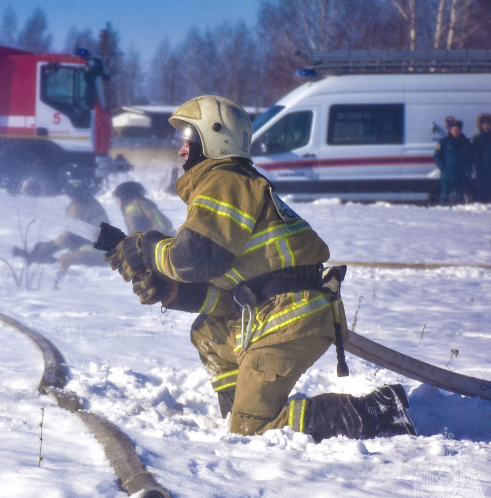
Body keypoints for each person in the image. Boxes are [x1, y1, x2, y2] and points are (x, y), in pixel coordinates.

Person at [105, 95, 415, 442]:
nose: (180, 150)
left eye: (187, 139)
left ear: (213, 138)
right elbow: (226, 294)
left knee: (252, 429)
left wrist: (145, 246)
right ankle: (239, 409)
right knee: (208, 332)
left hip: (289, 316)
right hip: (274, 309)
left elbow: (191, 260)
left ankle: (378, 412)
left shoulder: (224, 180)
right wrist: (172, 291)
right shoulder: (229, 183)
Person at [28, 164, 110, 272]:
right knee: (59, 261)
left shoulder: (78, 206)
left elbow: (71, 237)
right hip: (102, 252)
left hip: (92, 254)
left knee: (57, 267)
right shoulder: (91, 201)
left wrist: (49, 247)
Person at [434, 119, 473, 206]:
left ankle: (459, 217)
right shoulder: (444, 142)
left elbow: (470, 157)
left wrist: (467, 169)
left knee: (460, 199)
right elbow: (437, 157)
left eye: (457, 130)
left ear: (460, 130)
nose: (456, 132)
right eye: (454, 130)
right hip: (447, 175)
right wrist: (443, 168)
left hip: (460, 175)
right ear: (450, 130)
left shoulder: (466, 143)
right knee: (443, 198)